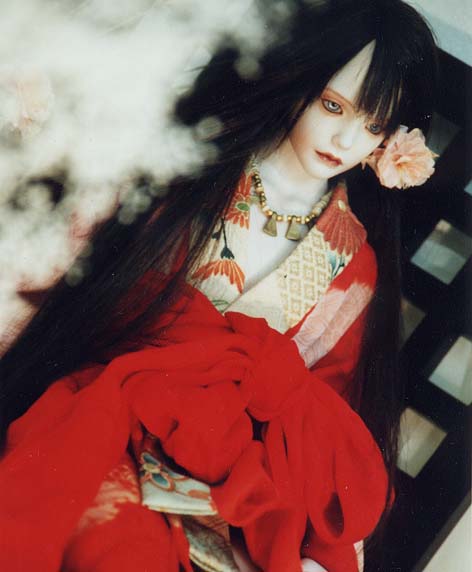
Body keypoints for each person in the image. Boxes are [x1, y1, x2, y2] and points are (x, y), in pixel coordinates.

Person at [0, 1, 438, 571]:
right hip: (101, 395)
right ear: (300, 78)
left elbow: (318, 408)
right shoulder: (197, 164)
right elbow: (76, 265)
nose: (346, 138)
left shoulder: (353, 261)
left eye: (373, 125)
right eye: (333, 105)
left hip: (215, 462)